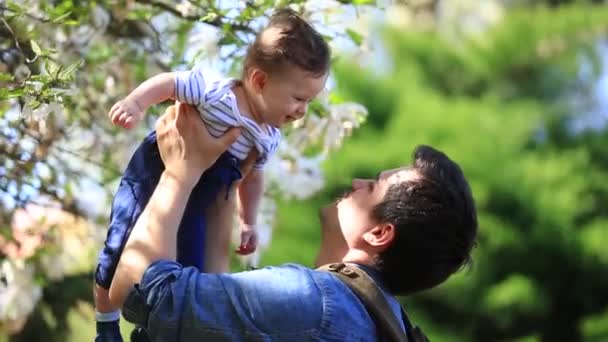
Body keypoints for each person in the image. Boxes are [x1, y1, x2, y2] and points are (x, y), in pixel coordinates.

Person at [106, 103, 478, 341]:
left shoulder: (316, 301)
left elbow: (142, 292)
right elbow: (207, 318)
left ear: (379, 233)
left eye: (374, 186)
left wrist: (179, 173)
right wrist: (227, 187)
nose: (357, 183)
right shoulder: (378, 324)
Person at [93, 8, 330, 341]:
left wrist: (248, 221)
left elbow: (253, 177)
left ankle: (152, 330)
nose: (302, 111)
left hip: (201, 196)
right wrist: (136, 103)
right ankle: (106, 324)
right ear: (260, 81)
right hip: (156, 173)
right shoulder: (216, 92)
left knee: (187, 268)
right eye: (298, 98)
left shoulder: (268, 136)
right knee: (120, 245)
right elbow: (171, 83)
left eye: (309, 101)